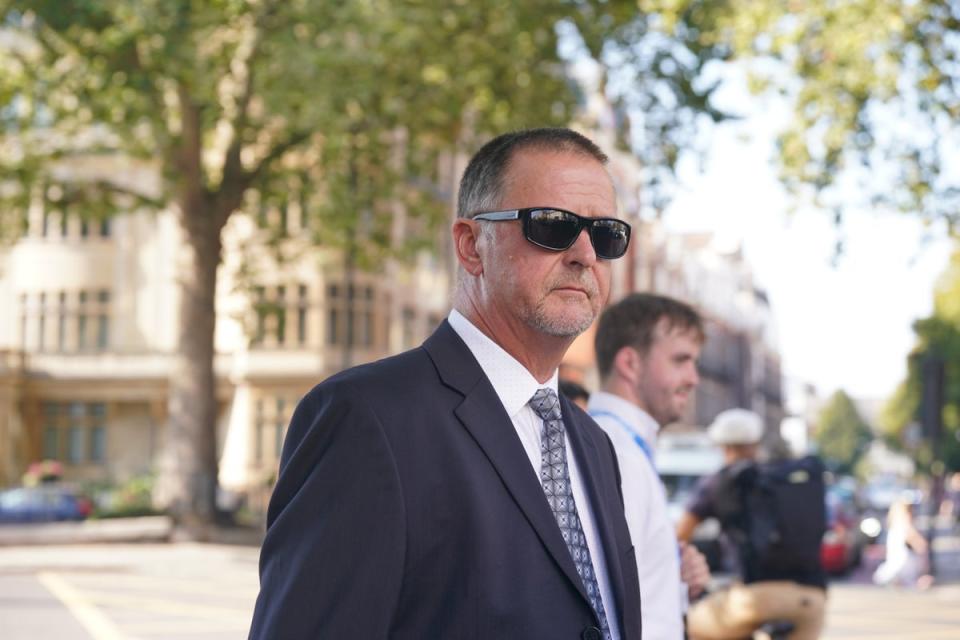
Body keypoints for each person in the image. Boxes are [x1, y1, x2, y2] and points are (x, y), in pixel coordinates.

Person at [248, 128, 642, 639]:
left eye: (607, 234)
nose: (586, 254)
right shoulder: (368, 419)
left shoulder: (593, 445)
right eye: (553, 226)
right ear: (471, 245)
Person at [590, 292, 711, 639]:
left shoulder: (625, 446)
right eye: (680, 360)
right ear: (630, 363)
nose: (694, 378)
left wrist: (676, 583)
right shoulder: (616, 453)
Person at [677, 409, 827, 640]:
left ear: (722, 445)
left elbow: (679, 536)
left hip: (755, 598)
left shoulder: (721, 481)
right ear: (755, 444)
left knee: (687, 624)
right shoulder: (786, 478)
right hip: (812, 599)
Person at [873, 496, 932, 589]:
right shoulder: (905, 525)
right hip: (903, 561)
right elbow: (919, 544)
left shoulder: (893, 524)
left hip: (894, 560)